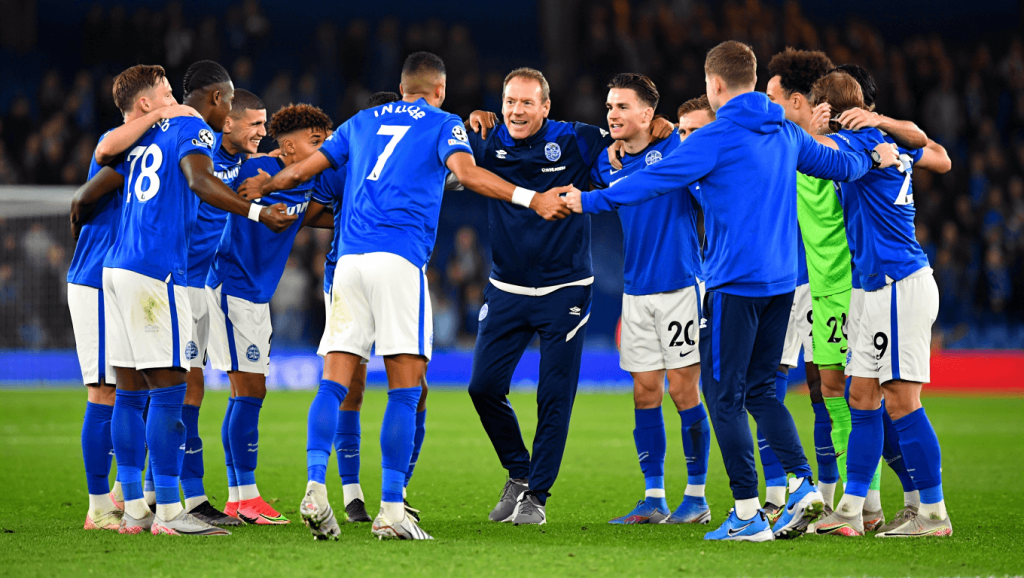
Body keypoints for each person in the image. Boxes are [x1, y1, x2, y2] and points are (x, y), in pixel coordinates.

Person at [565, 40, 900, 542]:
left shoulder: (714, 138)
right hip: (783, 283)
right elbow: (841, 168)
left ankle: (746, 512)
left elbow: (651, 182)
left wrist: (586, 201)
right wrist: (873, 151)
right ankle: (805, 485)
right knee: (764, 391)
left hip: (734, 285)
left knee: (724, 396)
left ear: (715, 85)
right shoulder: (786, 131)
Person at [238, 52, 571, 540]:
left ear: (400, 86)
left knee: (334, 382)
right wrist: (531, 197)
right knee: (406, 387)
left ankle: (314, 484)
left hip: (347, 263)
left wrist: (267, 184)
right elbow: (471, 175)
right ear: (438, 90)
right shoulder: (443, 124)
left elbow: (303, 171)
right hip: (398, 262)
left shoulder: (360, 121)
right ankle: (392, 508)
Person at [71, 60, 295, 536]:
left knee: (130, 393)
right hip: (158, 273)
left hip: (117, 269)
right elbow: (198, 180)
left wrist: (79, 221)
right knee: (173, 389)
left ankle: (133, 508)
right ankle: (171, 512)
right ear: (216, 101)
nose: (231, 112)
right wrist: (255, 211)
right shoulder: (192, 128)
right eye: (230, 102)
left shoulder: (145, 136)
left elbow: (93, 189)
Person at [461, 68, 675, 525]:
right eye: (509, 101)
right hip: (506, 288)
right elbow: (454, 159)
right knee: (482, 387)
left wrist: (663, 126)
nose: (516, 111)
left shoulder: (577, 140)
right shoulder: (484, 139)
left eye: (526, 103)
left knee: (553, 395)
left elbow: (630, 141)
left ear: (545, 107)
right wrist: (473, 117)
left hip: (566, 288)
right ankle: (520, 471)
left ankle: (537, 495)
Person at [805, 71, 953, 537]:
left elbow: (813, 157)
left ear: (827, 108)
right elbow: (939, 157)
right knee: (862, 397)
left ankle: (932, 513)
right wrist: (881, 127)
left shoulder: (857, 146)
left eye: (813, 104)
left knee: (902, 402)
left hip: (897, 284)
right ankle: (850, 509)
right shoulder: (882, 142)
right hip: (873, 289)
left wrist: (818, 133)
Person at [68, 65, 197, 532]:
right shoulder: (123, 143)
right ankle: (101, 505)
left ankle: (128, 498)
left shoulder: (142, 145)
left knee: (131, 391)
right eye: (166, 93)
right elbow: (87, 193)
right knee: (107, 390)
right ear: (145, 104)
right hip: (98, 279)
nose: (176, 101)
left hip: (114, 277)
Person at [589, 75, 710, 527]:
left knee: (683, 390)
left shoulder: (679, 148)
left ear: (648, 114)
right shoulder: (608, 160)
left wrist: (669, 128)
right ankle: (654, 497)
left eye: (622, 106)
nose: (612, 114)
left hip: (680, 283)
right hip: (635, 288)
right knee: (644, 393)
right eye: (609, 106)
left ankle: (696, 497)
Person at [207, 102, 332, 526]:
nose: (321, 150)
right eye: (314, 142)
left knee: (246, 392)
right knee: (248, 391)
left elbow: (319, 214)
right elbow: (213, 196)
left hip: (255, 295)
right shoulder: (252, 171)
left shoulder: (304, 182)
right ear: (287, 144)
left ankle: (240, 497)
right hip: (231, 286)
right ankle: (243, 496)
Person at [313, 91, 432, 525]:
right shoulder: (355, 161)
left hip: (354, 271)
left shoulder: (369, 147)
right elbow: (312, 209)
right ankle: (355, 494)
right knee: (361, 385)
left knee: (414, 388)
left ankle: (394, 490)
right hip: (377, 271)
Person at [764, 47, 844, 522]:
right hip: (777, 278)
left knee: (825, 390)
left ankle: (836, 498)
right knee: (768, 384)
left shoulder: (833, 146)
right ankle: (778, 493)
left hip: (820, 282)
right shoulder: (773, 137)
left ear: (797, 100)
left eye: (772, 96)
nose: (764, 103)